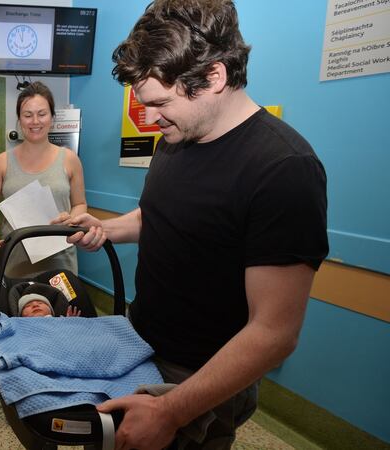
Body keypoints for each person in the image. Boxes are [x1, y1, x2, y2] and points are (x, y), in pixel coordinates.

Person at [67, 1, 329, 449]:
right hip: (142, 339)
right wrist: (107, 229)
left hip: (197, 377)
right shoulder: (177, 139)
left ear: (214, 77)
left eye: (161, 104)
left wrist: (171, 410)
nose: (151, 119)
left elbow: (275, 333)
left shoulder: (284, 169)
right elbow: (163, 217)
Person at [0, 81, 87, 278]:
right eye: (28, 115)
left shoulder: (69, 159)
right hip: (15, 260)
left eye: (42, 114)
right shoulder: (2, 162)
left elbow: (80, 204)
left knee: (62, 308)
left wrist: (73, 220)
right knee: (15, 307)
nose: (35, 121)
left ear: (52, 117)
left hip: (60, 259)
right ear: (19, 120)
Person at [17, 284, 82, 318]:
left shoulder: (61, 321)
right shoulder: (19, 327)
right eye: (28, 306)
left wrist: (72, 323)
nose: (35, 305)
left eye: (40, 303)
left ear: (51, 311)